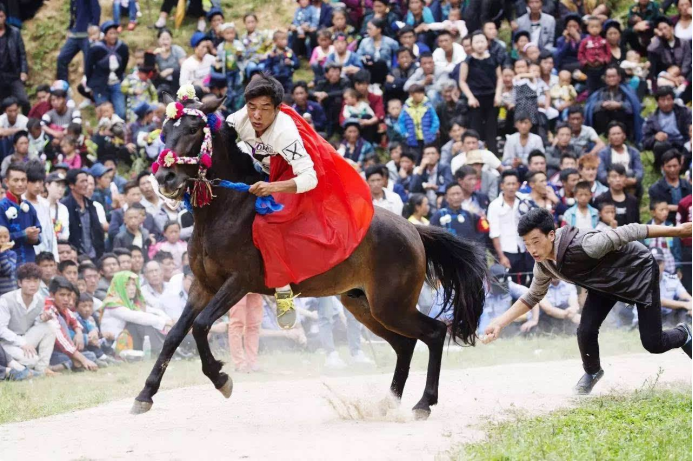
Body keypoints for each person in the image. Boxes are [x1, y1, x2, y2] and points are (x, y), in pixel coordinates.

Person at [483, 207, 693, 394]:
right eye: (527, 244)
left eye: (536, 242)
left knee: (653, 343)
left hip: (638, 271)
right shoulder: (543, 265)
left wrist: (678, 231)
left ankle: (684, 333)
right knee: (585, 330)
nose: (532, 250)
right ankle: (592, 372)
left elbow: (631, 230)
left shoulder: (587, 245)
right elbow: (531, 296)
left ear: (552, 235)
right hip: (603, 283)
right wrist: (500, 322)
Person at [226, 74, 373, 329]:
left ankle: (283, 292)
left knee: (266, 224)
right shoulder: (239, 119)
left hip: (294, 176)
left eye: (264, 109)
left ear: (278, 108)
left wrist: (273, 187)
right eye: (252, 107)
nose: (256, 116)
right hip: (263, 171)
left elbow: (309, 178)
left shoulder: (285, 133)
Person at [99, 271, 172, 355]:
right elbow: (136, 317)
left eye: (134, 284)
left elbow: (153, 311)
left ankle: (166, 349)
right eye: (127, 285)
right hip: (114, 344)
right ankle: (162, 350)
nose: (132, 288)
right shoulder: (112, 304)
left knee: (149, 320)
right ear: (118, 286)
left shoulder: (129, 303)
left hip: (130, 339)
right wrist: (163, 322)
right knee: (141, 324)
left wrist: (167, 320)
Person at [0, 263, 54, 374]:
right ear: (20, 283)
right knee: (32, 360)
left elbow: (30, 323)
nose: (32, 285)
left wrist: (42, 319)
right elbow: (1, 329)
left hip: (25, 339)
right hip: (6, 343)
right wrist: (22, 343)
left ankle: (42, 368)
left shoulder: (39, 300)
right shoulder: (6, 300)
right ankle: (18, 367)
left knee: (50, 326)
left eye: (35, 281)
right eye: (28, 281)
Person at [458, 32, 503, 155]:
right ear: (471, 44)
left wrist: (498, 94)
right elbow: (462, 81)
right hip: (475, 100)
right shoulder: (467, 61)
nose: (479, 45)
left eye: (482, 41)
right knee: (475, 129)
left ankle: (493, 156)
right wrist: (470, 97)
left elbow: (500, 78)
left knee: (491, 130)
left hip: (492, 98)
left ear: (487, 42)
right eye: (476, 42)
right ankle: (474, 155)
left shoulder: (494, 58)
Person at [44, 276, 98, 372]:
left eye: (68, 295)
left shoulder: (63, 307)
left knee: (91, 355)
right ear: (52, 294)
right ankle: (66, 365)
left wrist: (79, 333)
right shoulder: (49, 309)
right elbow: (61, 341)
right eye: (62, 295)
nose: (66, 299)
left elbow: (74, 319)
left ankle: (71, 364)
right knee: (72, 358)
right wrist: (84, 360)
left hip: (64, 351)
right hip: (50, 353)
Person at [488, 170, 534, 284]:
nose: (511, 187)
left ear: (518, 185)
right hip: (506, 251)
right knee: (506, 284)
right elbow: (494, 234)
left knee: (524, 282)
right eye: (508, 184)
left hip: (524, 249)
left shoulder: (525, 200)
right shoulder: (495, 206)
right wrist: (501, 256)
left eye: (514, 184)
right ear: (502, 186)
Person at [585, 65, 642, 141]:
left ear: (619, 77)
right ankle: (604, 136)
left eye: (614, 76)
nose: (611, 79)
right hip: (604, 122)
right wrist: (602, 105)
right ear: (605, 79)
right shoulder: (600, 93)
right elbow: (590, 107)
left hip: (623, 122)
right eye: (609, 77)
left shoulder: (627, 91)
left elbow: (634, 107)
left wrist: (619, 105)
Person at [86, 21, 129, 120]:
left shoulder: (122, 47)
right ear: (105, 36)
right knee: (104, 113)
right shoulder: (96, 49)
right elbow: (88, 67)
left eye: (115, 33)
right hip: (100, 84)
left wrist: (120, 76)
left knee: (121, 113)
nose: (113, 36)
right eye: (110, 33)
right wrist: (90, 84)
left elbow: (124, 63)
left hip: (116, 82)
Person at [642, 87, 693, 170]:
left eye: (669, 99)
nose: (666, 103)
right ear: (657, 102)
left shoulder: (684, 112)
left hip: (684, 144)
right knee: (660, 145)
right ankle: (665, 168)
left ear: (673, 100)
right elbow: (645, 143)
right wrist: (655, 137)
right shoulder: (652, 119)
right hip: (667, 147)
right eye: (662, 100)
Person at [0, 164, 41, 265]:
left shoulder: (29, 206)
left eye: (23, 180)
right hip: (8, 264)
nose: (20, 184)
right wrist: (24, 234)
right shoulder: (2, 206)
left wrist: (35, 238)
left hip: (30, 260)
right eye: (16, 180)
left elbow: (39, 234)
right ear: (7, 182)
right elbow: (2, 238)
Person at [62, 169, 105, 260]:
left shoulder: (91, 205)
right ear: (71, 185)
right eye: (82, 181)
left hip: (94, 255)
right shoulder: (65, 206)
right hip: (75, 256)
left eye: (86, 181)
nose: (86, 185)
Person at [648, 150, 693, 224]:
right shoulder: (655, 189)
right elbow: (656, 209)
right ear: (663, 167)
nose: (672, 169)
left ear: (680, 166)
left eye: (675, 166)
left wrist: (673, 208)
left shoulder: (688, 186)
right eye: (669, 166)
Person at [0, 5, 30, 115]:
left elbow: (22, 54)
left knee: (24, 100)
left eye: (1, 16)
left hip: (13, 74)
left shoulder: (14, 33)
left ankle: (29, 125)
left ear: (5, 17)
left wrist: (24, 71)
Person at [596, 122, 644, 190]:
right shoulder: (603, 153)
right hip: (611, 182)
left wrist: (635, 180)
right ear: (609, 137)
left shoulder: (634, 152)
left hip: (629, 181)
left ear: (624, 135)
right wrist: (613, 181)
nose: (616, 137)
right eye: (613, 134)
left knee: (630, 173)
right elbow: (601, 173)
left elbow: (639, 170)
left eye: (618, 134)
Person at [397, 84, 440, 156]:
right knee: (415, 157)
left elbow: (435, 120)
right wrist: (405, 134)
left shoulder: (428, 106)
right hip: (412, 139)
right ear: (411, 94)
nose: (421, 95)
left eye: (422, 93)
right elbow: (401, 122)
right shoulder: (406, 108)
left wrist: (432, 132)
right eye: (418, 93)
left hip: (427, 138)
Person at [227, 293, 264, 372]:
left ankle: (252, 362)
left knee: (254, 324)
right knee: (237, 323)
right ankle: (239, 363)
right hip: (237, 285)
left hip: (255, 286)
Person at [645, 200, 682, 275]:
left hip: (669, 266)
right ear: (653, 212)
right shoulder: (646, 227)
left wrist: (678, 267)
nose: (665, 212)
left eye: (666, 209)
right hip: (651, 267)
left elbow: (676, 249)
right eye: (662, 210)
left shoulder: (671, 228)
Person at [578, 16, 610, 94]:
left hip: (602, 67)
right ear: (588, 28)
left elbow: (608, 52)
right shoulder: (585, 41)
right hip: (590, 68)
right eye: (592, 27)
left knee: (603, 85)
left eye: (597, 27)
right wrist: (585, 62)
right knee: (591, 86)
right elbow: (580, 53)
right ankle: (591, 101)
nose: (595, 29)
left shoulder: (604, 41)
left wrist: (605, 60)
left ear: (601, 28)